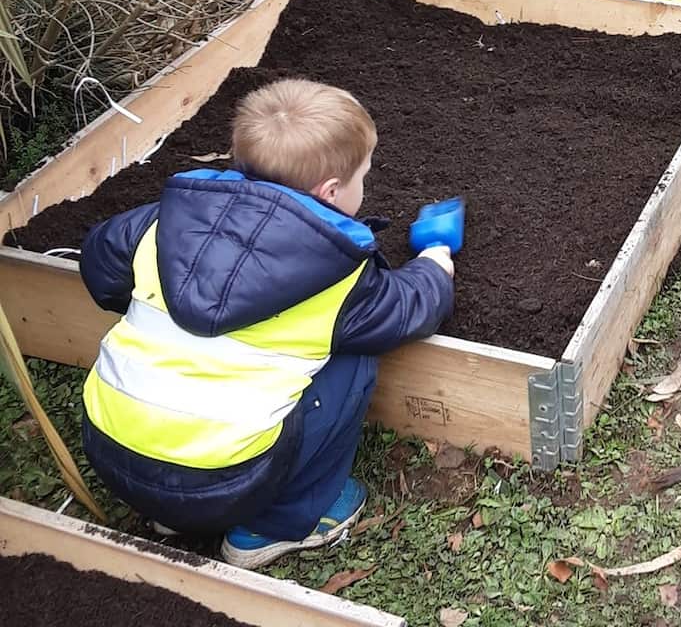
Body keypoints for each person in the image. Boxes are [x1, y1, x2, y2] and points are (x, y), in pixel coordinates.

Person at [78, 79, 455, 570]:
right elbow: (406, 309)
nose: (366, 184)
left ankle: (171, 514)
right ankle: (276, 525)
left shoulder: (159, 225)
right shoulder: (335, 273)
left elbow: (100, 267)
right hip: (228, 481)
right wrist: (434, 267)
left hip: (111, 454)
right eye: (363, 175)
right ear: (331, 192)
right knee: (354, 358)